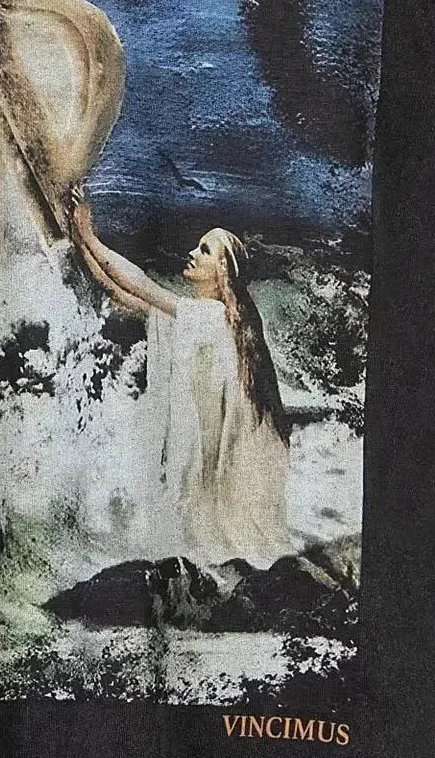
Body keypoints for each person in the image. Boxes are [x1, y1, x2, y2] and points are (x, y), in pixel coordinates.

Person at [68, 189, 293, 567]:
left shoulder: (212, 317)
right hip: (214, 447)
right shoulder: (206, 316)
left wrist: (89, 236)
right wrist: (80, 243)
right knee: (208, 532)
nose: (192, 253)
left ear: (222, 271)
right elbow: (122, 294)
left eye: (204, 251)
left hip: (217, 450)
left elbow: (141, 285)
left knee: (212, 536)